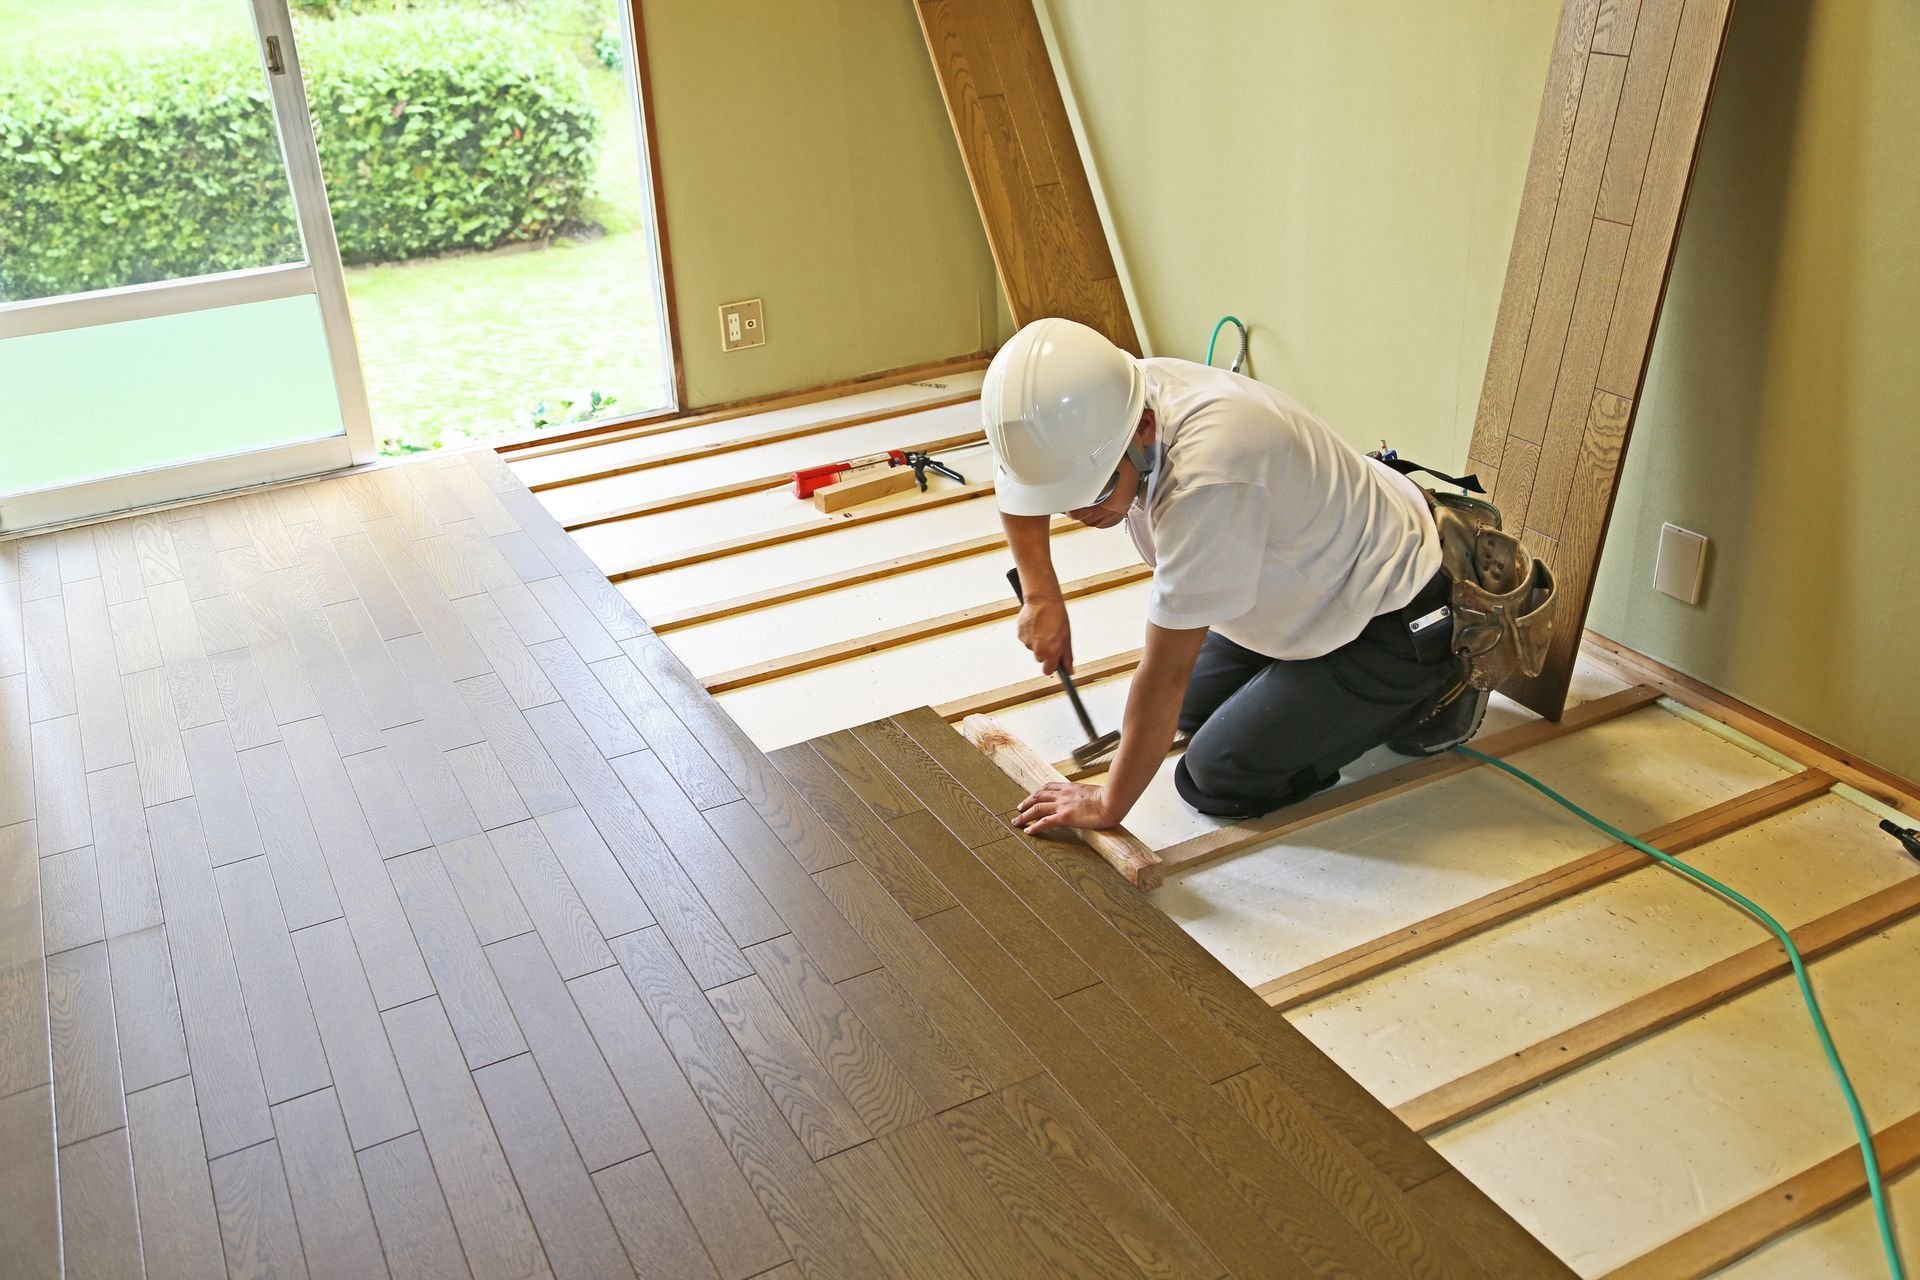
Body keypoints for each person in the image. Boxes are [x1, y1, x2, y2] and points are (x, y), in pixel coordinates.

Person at [987, 317, 1480, 836]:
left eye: (1089, 493)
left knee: (1215, 777)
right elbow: (1019, 489)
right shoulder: (1106, 401)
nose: (1077, 515)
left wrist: (1106, 803)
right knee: (1192, 713)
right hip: (1311, 573)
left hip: (1396, 609)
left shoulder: (1208, 480)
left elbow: (1164, 674)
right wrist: (1041, 596)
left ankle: (1438, 690)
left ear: (1145, 431)